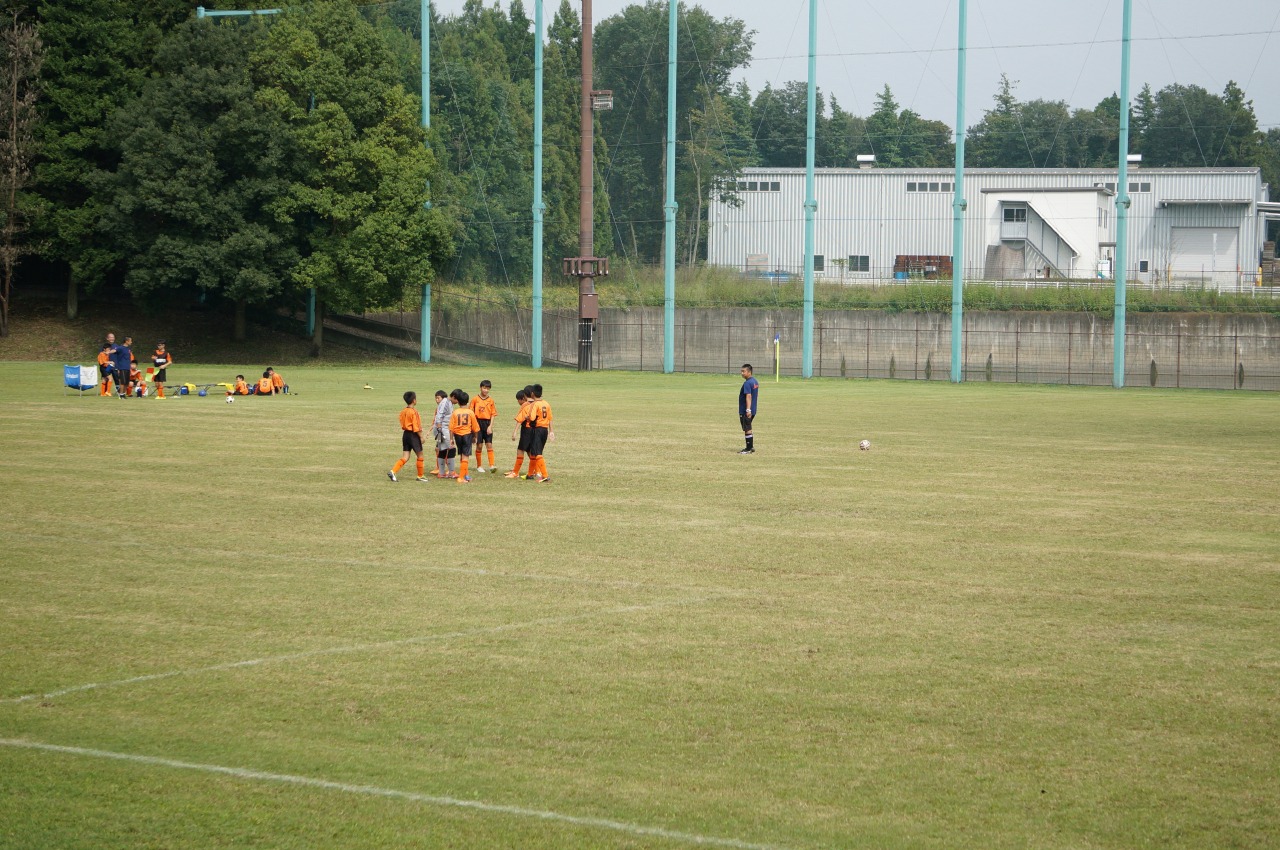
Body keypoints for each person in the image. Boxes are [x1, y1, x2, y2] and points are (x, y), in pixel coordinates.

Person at [388, 391, 428, 482]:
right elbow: (416, 426)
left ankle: (393, 471)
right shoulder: (414, 412)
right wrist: (421, 437)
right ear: (414, 400)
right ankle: (420, 476)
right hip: (413, 435)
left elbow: (401, 420)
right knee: (420, 455)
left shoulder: (403, 411)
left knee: (405, 456)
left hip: (405, 434)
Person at [448, 389, 479, 484]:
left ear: (458, 402)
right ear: (468, 401)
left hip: (457, 435)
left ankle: (465, 474)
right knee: (466, 456)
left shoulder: (455, 412)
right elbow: (475, 427)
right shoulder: (470, 412)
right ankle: (461, 478)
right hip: (467, 435)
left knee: (462, 454)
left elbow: (451, 427)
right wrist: (475, 437)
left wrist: (451, 439)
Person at [526, 383, 553, 483]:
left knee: (537, 453)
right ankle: (530, 474)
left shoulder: (535, 404)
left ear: (532, 394)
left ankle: (545, 475)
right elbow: (550, 418)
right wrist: (551, 431)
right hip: (544, 430)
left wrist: (527, 417)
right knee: (534, 452)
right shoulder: (546, 403)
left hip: (537, 429)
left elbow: (532, 418)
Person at [470, 379, 497, 473]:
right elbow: (471, 413)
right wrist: (473, 427)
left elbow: (493, 414)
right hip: (478, 423)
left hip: (487, 423)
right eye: (484, 388)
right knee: (479, 445)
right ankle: (479, 466)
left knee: (489, 444)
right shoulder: (475, 399)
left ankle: (492, 465)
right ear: (480, 388)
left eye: (488, 389)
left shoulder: (491, 400)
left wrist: (490, 426)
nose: (486, 390)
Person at [504, 388, 531, 478]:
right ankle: (535, 470)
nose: (518, 402)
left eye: (518, 400)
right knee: (530, 451)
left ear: (523, 398)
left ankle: (515, 472)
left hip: (526, 429)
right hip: (534, 429)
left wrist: (515, 431)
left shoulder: (525, 405)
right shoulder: (535, 404)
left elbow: (520, 419)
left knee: (520, 450)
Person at [432, 389, 454, 478]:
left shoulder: (444, 404)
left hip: (440, 430)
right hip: (442, 430)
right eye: (436, 398)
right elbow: (439, 418)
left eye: (438, 398)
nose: (437, 400)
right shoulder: (445, 403)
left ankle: (441, 471)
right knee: (450, 448)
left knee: (440, 448)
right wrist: (439, 429)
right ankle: (450, 471)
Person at [738, 363, 758, 454]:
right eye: (741, 371)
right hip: (753, 409)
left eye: (744, 371)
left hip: (746, 410)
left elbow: (748, 396)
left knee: (747, 428)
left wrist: (748, 409)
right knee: (748, 427)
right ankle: (750, 447)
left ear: (749, 372)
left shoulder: (747, 383)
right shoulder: (755, 381)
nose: (742, 373)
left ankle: (748, 448)